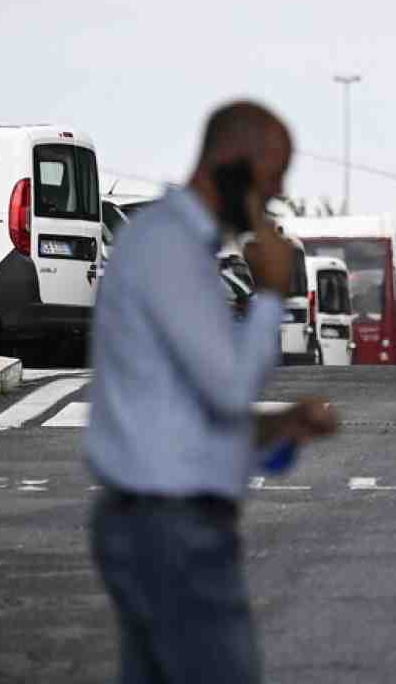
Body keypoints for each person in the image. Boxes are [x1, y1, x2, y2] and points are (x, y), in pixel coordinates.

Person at [85, 100, 339, 684]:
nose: (276, 194)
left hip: (161, 524)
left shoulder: (178, 248)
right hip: (171, 531)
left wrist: (278, 426)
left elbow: (186, 403)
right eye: (272, 175)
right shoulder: (169, 248)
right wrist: (271, 291)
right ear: (233, 163)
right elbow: (227, 387)